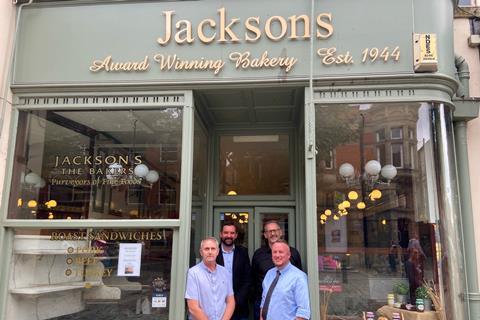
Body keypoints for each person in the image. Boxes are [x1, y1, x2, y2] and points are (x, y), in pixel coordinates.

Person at [251, 220, 302, 320]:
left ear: (281, 232)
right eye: (269, 231)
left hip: (286, 306)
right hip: (262, 304)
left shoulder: (293, 253)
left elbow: (299, 281)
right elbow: (253, 278)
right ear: (265, 235)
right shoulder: (258, 255)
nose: (273, 233)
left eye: (275, 230)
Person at [185, 237, 235, 320]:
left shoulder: (225, 272)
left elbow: (231, 302)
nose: (210, 252)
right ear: (201, 252)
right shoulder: (193, 273)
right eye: (206, 249)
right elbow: (193, 307)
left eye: (213, 249)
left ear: (218, 252)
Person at [260, 240, 310, 320]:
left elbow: (303, 312)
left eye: (281, 252)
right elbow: (264, 302)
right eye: (274, 252)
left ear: (289, 255)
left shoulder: (299, 277)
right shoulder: (269, 274)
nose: (277, 255)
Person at [216, 222, 251, 320]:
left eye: (232, 233)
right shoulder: (214, 252)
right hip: (218, 306)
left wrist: (235, 301)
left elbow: (247, 279)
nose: (229, 236)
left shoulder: (243, 252)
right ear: (221, 234)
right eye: (226, 233)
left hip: (240, 308)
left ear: (235, 235)